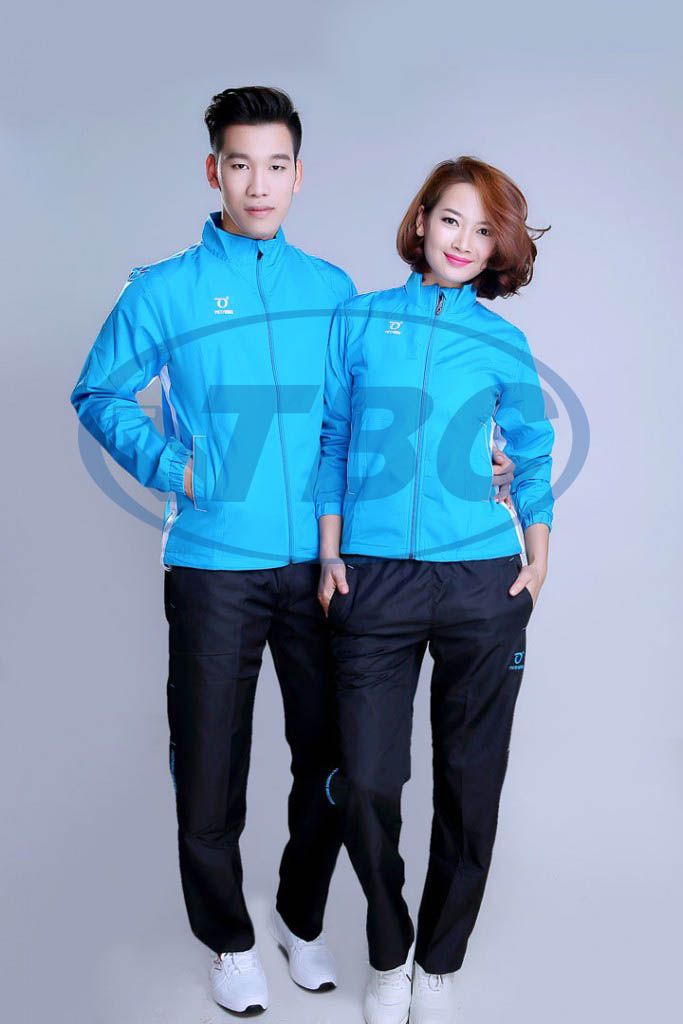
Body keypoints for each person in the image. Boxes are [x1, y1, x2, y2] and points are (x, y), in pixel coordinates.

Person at [315, 156, 555, 1024]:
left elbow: (530, 454)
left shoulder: (501, 342)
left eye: (483, 230)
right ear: (420, 221)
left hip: (478, 580)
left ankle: (439, 962)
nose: (462, 241)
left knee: (469, 779)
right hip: (372, 578)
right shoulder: (358, 319)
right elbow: (331, 440)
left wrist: (537, 558)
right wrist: (330, 557)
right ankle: (389, 953)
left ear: (497, 248)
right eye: (450, 219)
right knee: (367, 781)